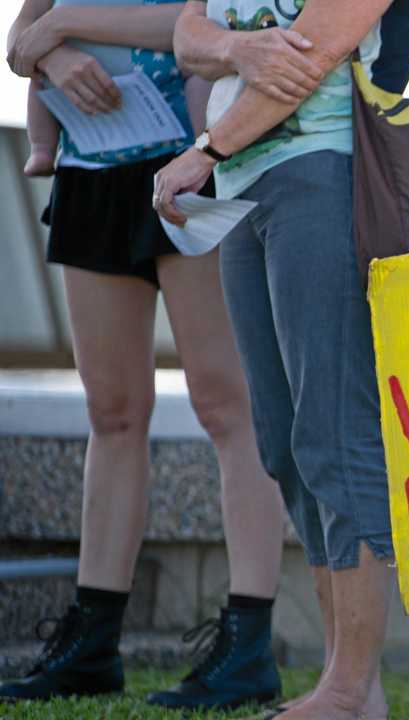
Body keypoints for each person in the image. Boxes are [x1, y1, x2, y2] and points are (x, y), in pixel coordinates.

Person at [2, 0, 286, 711]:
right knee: (113, 411)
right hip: (89, 169)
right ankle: (91, 644)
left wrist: (63, 28)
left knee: (228, 407)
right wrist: (54, 54)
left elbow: (195, 30)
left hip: (188, 166)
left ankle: (248, 641)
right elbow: (20, 37)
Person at [152, 1, 409, 717]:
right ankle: (353, 688)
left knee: (336, 430)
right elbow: (187, 36)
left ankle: (346, 686)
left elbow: (310, 55)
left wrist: (204, 150)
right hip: (245, 190)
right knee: (284, 442)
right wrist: (240, 52)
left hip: (327, 173)